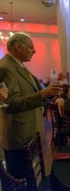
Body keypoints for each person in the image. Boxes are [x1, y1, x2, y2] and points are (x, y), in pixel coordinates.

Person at [0, 32, 63, 180]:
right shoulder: (6, 68)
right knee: (20, 178)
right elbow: (9, 104)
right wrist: (42, 95)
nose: (34, 51)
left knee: (30, 177)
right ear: (18, 47)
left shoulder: (18, 65)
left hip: (26, 132)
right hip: (18, 135)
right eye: (30, 47)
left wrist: (46, 95)